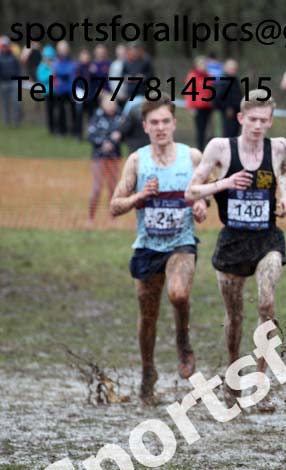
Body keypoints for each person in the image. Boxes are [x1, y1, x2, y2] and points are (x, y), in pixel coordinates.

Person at [184, 89, 286, 410]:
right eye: (252, 119)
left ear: (270, 121)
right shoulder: (220, 148)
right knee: (235, 316)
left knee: (267, 303)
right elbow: (191, 191)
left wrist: (285, 196)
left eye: (263, 120)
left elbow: (285, 170)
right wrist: (224, 184)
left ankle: (260, 384)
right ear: (241, 118)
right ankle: (233, 378)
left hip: (267, 238)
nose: (257, 126)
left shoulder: (279, 147)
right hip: (232, 240)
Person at [109, 95, 208, 406]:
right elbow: (114, 206)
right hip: (147, 247)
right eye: (154, 122)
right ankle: (148, 372)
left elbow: (207, 189)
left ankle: (183, 342)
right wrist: (138, 197)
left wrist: (202, 203)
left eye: (166, 121)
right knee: (148, 316)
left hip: (181, 243)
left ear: (174, 123)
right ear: (145, 126)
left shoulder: (192, 157)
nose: (161, 127)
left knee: (178, 294)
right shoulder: (137, 161)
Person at [86, 91, 122, 224]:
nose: (111, 106)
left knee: (113, 187)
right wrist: (103, 143)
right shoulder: (97, 116)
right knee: (97, 188)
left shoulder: (120, 117)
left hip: (114, 157)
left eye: (113, 104)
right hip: (98, 157)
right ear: (102, 105)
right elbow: (90, 135)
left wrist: (116, 139)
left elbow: (124, 133)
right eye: (108, 104)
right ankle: (90, 217)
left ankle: (113, 217)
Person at [184, 56, 214, 151]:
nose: (203, 66)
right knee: (200, 130)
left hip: (208, 106)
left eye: (205, 64)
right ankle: (200, 150)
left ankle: (208, 150)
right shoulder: (192, 76)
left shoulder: (209, 76)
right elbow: (189, 91)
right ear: (197, 65)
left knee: (209, 130)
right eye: (201, 64)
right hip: (198, 107)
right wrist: (190, 107)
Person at [52, 41, 77, 136]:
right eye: (62, 49)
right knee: (60, 110)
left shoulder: (72, 60)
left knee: (73, 111)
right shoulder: (56, 61)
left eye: (65, 48)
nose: (64, 50)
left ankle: (74, 131)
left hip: (71, 89)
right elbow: (58, 71)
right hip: (60, 90)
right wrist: (67, 71)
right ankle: (62, 131)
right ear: (58, 50)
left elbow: (73, 71)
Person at [215, 58, 242, 138]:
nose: (233, 71)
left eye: (235, 69)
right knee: (228, 134)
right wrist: (226, 108)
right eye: (231, 69)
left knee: (235, 134)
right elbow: (217, 98)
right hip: (228, 113)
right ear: (225, 68)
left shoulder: (235, 80)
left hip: (237, 110)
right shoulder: (222, 81)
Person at [0, 36, 22, 127]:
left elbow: (18, 68)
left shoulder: (13, 57)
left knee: (16, 102)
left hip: (14, 82)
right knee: (5, 103)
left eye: (6, 45)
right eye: (4, 45)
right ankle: (6, 121)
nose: (5, 47)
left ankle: (16, 121)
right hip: (3, 83)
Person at [36, 44, 55, 133]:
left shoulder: (55, 65)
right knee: (49, 111)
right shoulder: (41, 66)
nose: (49, 59)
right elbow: (41, 78)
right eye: (47, 57)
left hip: (56, 91)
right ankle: (51, 129)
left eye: (50, 58)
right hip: (47, 92)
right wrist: (51, 73)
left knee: (58, 110)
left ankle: (59, 127)